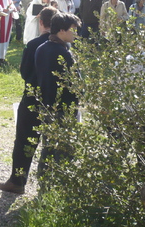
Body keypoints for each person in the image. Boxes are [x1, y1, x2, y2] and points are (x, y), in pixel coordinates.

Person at [0, 6, 58, 194]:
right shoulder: (62, 45)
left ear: (41, 22)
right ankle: (46, 187)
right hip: (53, 101)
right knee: (51, 144)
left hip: (33, 98)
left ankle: (18, 180)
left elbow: (24, 72)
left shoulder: (33, 45)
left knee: (24, 141)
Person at [35, 12, 81, 176]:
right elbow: (76, 84)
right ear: (62, 30)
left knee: (48, 148)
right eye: (72, 30)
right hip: (64, 109)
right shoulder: (64, 54)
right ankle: (61, 186)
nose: (75, 34)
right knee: (65, 150)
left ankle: (44, 183)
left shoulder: (41, 49)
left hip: (46, 106)